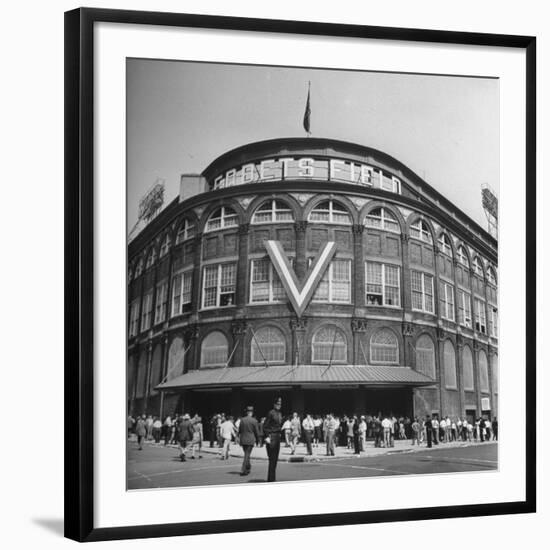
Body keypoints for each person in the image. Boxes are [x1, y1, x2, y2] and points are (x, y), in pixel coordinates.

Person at [263, 397, 283, 482]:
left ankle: (272, 479)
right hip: (272, 437)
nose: (279, 405)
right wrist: (267, 436)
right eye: (278, 404)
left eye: (280, 404)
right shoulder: (271, 413)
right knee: (272, 459)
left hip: (277, 437)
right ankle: (271, 480)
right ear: (274, 404)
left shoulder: (280, 413)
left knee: (275, 460)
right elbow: (265, 426)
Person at [238, 406, 260, 476]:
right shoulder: (254, 421)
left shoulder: (242, 420)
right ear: (252, 413)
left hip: (243, 439)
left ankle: (248, 467)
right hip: (250, 440)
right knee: (247, 454)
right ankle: (243, 469)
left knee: (247, 454)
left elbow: (240, 431)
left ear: (247, 412)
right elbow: (256, 432)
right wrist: (258, 441)